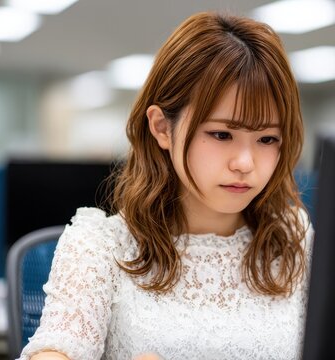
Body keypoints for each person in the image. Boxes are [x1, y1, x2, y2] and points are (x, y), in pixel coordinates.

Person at [20, 11, 314, 360]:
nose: (245, 163)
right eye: (222, 134)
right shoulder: (101, 245)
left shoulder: (293, 236)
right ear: (162, 128)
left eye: (267, 139)